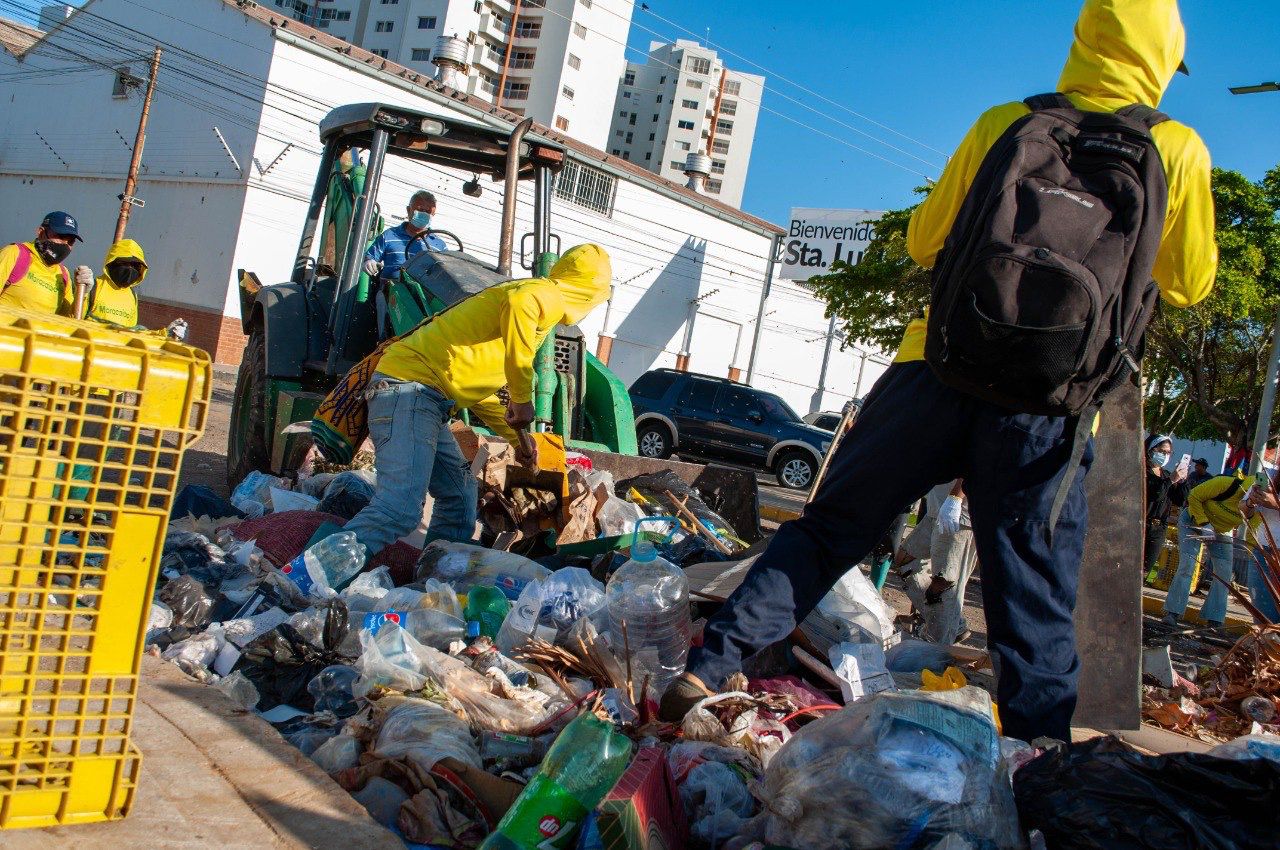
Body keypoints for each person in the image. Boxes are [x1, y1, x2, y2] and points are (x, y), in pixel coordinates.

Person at [661, 0, 1217, 742]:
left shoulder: (1005, 124)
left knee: (829, 532)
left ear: (1085, 39)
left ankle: (711, 666)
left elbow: (926, 244)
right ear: (1161, 56)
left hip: (936, 370)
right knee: (1032, 597)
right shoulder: (1176, 149)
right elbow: (1189, 284)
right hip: (1046, 407)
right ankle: (1036, 767)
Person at [338, 244, 611, 559]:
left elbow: (482, 391)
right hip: (410, 390)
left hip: (427, 399)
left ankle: (434, 574)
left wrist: (520, 441)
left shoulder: (539, 312)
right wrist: (523, 398)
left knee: (459, 496)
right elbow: (520, 302)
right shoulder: (544, 294)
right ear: (588, 291)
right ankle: (306, 580)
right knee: (399, 510)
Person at [1162, 474, 1259, 628]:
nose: (1248, 507)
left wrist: (1256, 555)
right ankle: (1172, 613)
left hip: (1221, 531)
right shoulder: (1225, 484)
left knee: (1224, 574)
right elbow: (1194, 496)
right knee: (1188, 564)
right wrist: (1204, 522)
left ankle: (1214, 620)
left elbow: (1254, 532)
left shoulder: (1257, 509)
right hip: (1193, 521)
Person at [896, 479, 977, 645]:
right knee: (906, 561)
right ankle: (955, 625)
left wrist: (955, 498)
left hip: (958, 516)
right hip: (937, 510)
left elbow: (972, 459)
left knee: (943, 587)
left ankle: (938, 647)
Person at [363, 190, 447, 337]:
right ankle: (383, 339)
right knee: (386, 305)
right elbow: (371, 256)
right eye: (420, 209)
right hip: (391, 291)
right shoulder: (389, 236)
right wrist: (369, 262)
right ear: (409, 210)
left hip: (425, 297)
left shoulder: (439, 245)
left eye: (428, 211)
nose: (424, 214)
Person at [0, 211, 91, 316]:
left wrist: (82, 293)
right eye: (61, 237)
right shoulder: (15, 253)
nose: (65, 245)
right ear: (41, 232)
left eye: (70, 242)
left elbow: (69, 320)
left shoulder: (63, 275)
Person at [63, 239, 148, 328]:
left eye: (135, 266)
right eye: (124, 263)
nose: (130, 269)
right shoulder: (93, 288)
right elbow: (72, 320)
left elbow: (132, 329)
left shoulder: (133, 296)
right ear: (112, 263)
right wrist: (82, 293)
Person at [1143, 434, 1188, 580]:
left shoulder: (1167, 475)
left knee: (1144, 570)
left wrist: (1182, 481)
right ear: (1150, 450)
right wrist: (1171, 480)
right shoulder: (1143, 471)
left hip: (1158, 528)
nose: (1165, 456)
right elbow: (1156, 494)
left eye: (1168, 453)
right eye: (1162, 451)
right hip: (1141, 525)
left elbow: (1180, 500)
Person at [1243, 473, 1280, 624]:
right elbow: (1243, 509)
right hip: (1264, 551)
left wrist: (1276, 504)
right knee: (1262, 611)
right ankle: (1266, 645)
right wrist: (1251, 501)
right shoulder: (1271, 480)